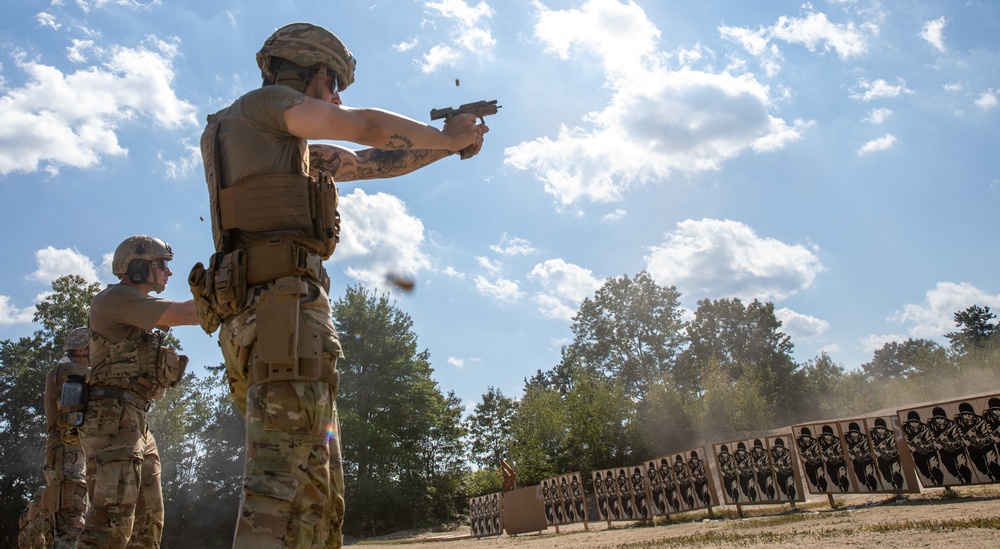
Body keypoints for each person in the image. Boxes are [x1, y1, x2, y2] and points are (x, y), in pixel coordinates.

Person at [191, 21, 488, 548]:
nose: (335, 99)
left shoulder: (263, 143)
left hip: (261, 316)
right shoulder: (265, 106)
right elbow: (368, 127)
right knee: (282, 490)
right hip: (280, 314)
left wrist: (451, 144)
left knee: (314, 491)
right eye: (333, 87)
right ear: (314, 71)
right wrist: (443, 135)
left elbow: (371, 162)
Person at [77, 235, 198, 548]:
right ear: (140, 267)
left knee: (147, 527)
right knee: (111, 527)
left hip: (133, 419)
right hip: (112, 421)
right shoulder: (115, 299)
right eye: (163, 265)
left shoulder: (134, 308)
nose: (169, 272)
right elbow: (185, 313)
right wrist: (237, 294)